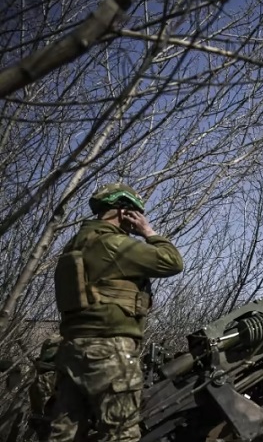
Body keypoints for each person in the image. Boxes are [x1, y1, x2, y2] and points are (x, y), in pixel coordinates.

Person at [46, 183, 184, 442]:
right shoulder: (112, 244)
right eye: (136, 215)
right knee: (121, 434)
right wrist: (148, 231)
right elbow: (172, 262)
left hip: (72, 351)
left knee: (64, 434)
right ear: (124, 212)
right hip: (108, 350)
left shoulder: (76, 245)